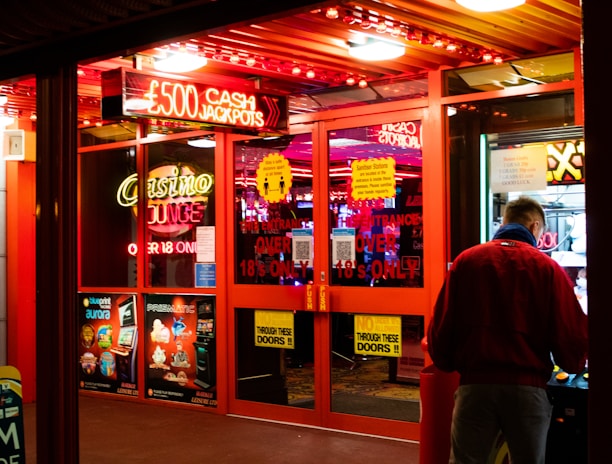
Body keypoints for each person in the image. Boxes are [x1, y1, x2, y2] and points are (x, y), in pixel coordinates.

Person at [427, 196, 588, 464]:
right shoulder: (548, 268)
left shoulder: (466, 261)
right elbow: (570, 333)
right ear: (535, 227)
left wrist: (448, 361)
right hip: (527, 391)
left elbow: (442, 324)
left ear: (505, 222)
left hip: (475, 387)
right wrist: (573, 363)